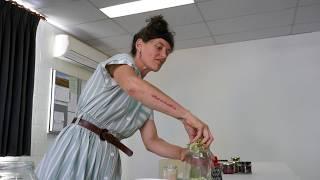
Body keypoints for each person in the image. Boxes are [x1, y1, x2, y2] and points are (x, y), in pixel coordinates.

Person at [36, 15, 213, 180]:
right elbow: (132, 86)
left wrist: (185, 154)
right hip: (79, 145)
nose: (164, 55)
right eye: (159, 47)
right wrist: (186, 116)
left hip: (108, 156)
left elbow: (153, 142)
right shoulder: (121, 62)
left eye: (168, 51)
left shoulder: (145, 103)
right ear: (139, 45)